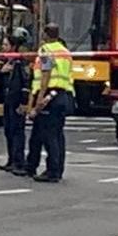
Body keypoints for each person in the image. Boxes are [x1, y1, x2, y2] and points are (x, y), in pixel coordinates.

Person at [25, 23, 74, 183]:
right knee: (58, 135)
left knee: (49, 135)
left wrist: (39, 99)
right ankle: (58, 169)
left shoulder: (46, 50)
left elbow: (46, 73)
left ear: (45, 34)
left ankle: (52, 171)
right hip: (62, 94)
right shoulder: (65, 52)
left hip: (49, 94)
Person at [0, 27, 33, 174]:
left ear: (13, 46)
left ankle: (19, 162)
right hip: (7, 100)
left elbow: (26, 82)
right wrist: (1, 71)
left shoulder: (20, 62)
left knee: (17, 131)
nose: (3, 47)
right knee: (8, 131)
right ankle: (11, 160)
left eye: (5, 45)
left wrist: (24, 102)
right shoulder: (4, 61)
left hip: (16, 100)